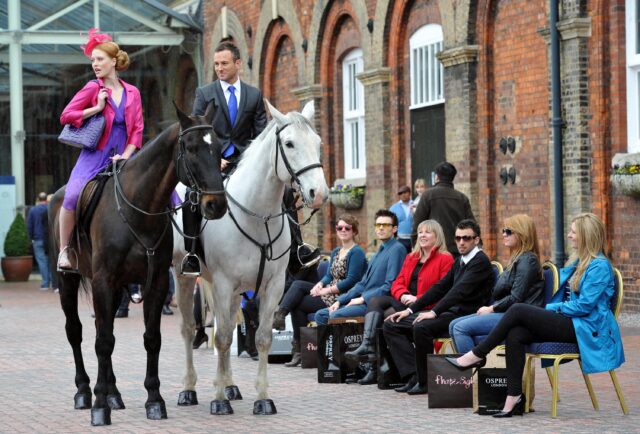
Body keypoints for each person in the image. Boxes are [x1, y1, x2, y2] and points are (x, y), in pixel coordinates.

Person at [447, 213, 625, 418]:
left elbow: (584, 306)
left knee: (518, 309)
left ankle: (477, 354)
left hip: (587, 327)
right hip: (574, 322)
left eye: (573, 232)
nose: (569, 236)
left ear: (586, 235)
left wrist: (551, 308)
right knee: (516, 333)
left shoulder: (599, 266)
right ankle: (513, 397)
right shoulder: (582, 262)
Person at [58, 28, 144, 270]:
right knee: (72, 195)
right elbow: (66, 116)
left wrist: (126, 156)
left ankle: (177, 251)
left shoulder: (133, 92)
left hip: (125, 154)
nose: (95, 64)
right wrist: (95, 108)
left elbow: (137, 129)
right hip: (95, 155)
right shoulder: (92, 87)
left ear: (113, 61)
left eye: (100, 59)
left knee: (169, 194)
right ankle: (64, 251)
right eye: (93, 60)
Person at [182, 40, 267, 275]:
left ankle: (296, 250)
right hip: (214, 165)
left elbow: (260, 136)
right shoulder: (204, 94)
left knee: (285, 192)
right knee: (191, 196)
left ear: (238, 63)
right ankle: (191, 255)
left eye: (224, 63)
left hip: (246, 164)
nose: (219, 68)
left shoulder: (254, 95)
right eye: (216, 64)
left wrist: (249, 162)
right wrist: (213, 159)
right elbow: (197, 133)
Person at [383, 219, 494, 395]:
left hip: (466, 315)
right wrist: (410, 310)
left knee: (422, 327)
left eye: (466, 238)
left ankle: (425, 381)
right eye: (458, 238)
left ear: (477, 240)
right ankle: (414, 375)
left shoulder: (480, 262)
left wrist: (433, 312)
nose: (461, 242)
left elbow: (457, 292)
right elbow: (439, 288)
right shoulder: (460, 261)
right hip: (450, 312)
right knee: (392, 324)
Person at [344, 219, 453, 384]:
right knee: (376, 302)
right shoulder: (411, 257)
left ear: (437, 236)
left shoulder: (445, 259)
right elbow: (397, 283)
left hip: (428, 306)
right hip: (405, 303)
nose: (422, 235)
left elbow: (443, 289)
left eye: (427, 232)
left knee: (386, 317)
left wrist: (418, 298)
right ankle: (372, 351)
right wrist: (403, 295)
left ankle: (385, 369)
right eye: (420, 232)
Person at [272, 214, 367, 367]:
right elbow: (329, 275)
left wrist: (327, 290)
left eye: (347, 228)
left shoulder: (357, 252)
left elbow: (352, 280)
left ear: (354, 231)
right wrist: (320, 284)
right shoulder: (336, 251)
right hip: (329, 293)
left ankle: (282, 315)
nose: (343, 230)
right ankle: (299, 350)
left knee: (297, 289)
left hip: (345, 296)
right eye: (340, 227)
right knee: (298, 295)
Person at [448, 214, 545, 353]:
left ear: (522, 234)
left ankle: (472, 371)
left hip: (518, 317)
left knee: (459, 328)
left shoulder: (527, 260)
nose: (504, 234)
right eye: (503, 231)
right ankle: (472, 370)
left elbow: (516, 297)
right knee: (453, 325)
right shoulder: (516, 258)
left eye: (509, 231)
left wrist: (491, 308)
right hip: (507, 312)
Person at [314, 209, 406, 325]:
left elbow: (390, 284)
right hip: (363, 300)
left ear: (394, 229)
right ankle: (329, 344)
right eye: (378, 225)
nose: (381, 228)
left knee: (335, 315)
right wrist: (340, 300)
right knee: (321, 315)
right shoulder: (379, 251)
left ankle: (342, 344)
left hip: (375, 303)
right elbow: (362, 283)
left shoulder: (397, 249)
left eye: (386, 225)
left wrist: (363, 298)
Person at [412, 162, 475, 256]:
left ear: (437, 177)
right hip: (457, 250)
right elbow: (472, 226)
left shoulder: (428, 195)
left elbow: (418, 224)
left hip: (434, 251)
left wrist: (415, 246)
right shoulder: (462, 198)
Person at [27, 192, 51, 290]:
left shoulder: (33, 210)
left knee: (42, 262)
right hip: (49, 239)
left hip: (37, 239)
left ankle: (45, 283)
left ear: (38, 199)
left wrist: (31, 238)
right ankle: (53, 282)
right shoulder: (49, 208)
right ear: (46, 199)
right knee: (50, 261)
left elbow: (30, 225)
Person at [390, 185, 414, 253]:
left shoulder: (415, 204)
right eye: (400, 193)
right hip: (400, 239)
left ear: (409, 193)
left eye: (405, 192)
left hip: (414, 238)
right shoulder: (393, 208)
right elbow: (391, 223)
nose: (403, 195)